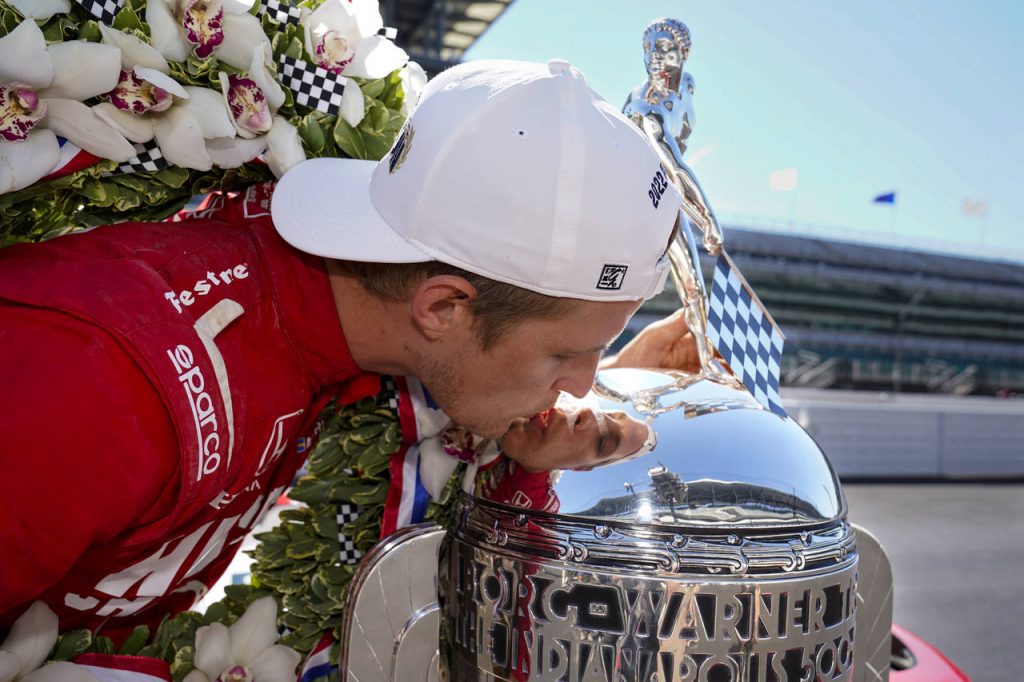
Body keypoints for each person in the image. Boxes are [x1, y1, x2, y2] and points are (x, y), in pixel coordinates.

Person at [0, 59, 693, 639]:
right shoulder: (92, 388)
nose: (583, 384)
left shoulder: (348, 327)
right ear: (443, 308)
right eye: (566, 355)